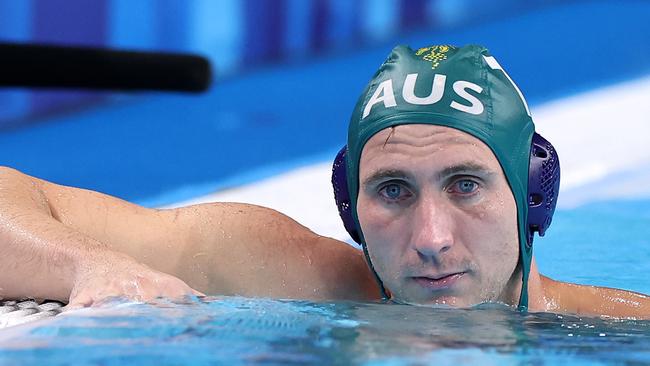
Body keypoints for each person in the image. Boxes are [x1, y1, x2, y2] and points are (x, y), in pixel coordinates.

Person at [0, 44, 648, 318]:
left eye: (465, 185)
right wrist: (88, 264)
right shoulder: (286, 274)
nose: (430, 239)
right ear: (350, 202)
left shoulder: (611, 334)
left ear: (533, 191)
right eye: (393, 190)